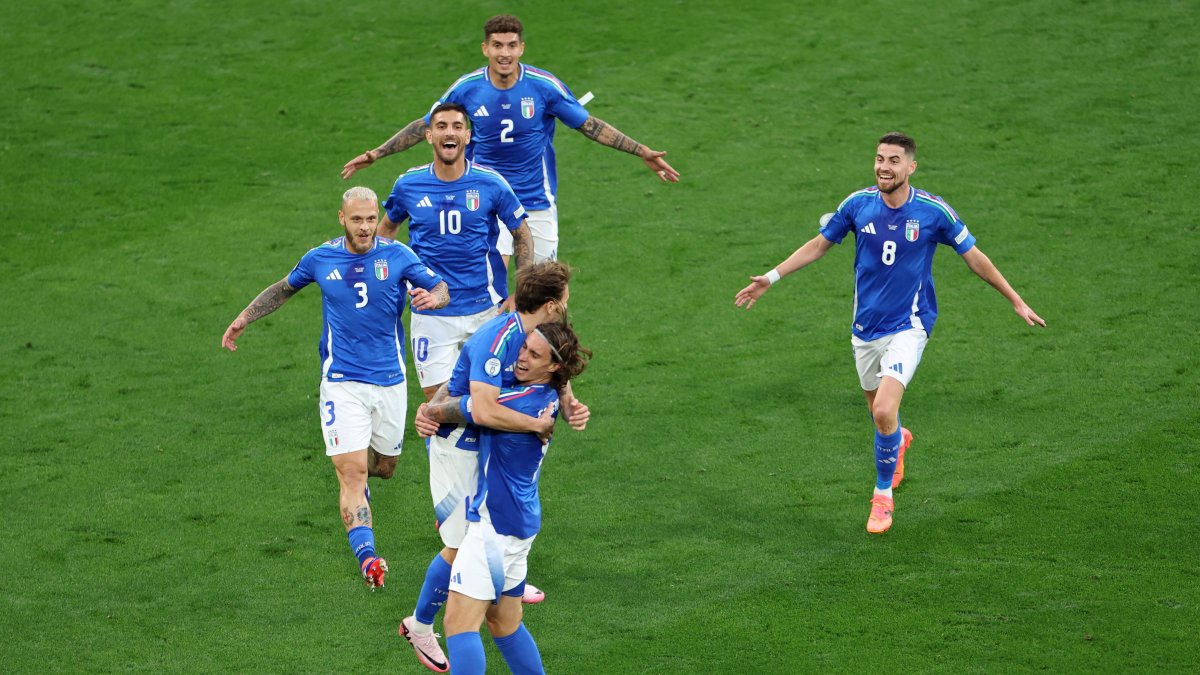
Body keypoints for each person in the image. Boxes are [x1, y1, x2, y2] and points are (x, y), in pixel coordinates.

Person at [734, 132, 1045, 535]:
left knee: (883, 410)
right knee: (879, 415)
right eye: (880, 158)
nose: (884, 166)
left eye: (894, 160)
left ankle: (882, 497)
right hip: (865, 328)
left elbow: (975, 258)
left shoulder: (934, 213)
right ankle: (898, 441)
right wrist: (771, 278)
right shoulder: (858, 204)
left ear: (910, 167)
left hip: (909, 325)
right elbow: (818, 245)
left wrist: (1015, 300)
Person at [221, 187, 449, 587]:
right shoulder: (320, 258)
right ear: (341, 218)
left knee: (385, 468)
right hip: (342, 382)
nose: (364, 227)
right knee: (352, 474)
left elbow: (441, 287)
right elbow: (284, 288)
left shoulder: (397, 256)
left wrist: (433, 298)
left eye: (370, 219)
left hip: (390, 382)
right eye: (356, 219)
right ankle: (368, 558)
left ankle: (361, 483)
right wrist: (244, 317)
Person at [342, 13, 680, 265]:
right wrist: (376, 153)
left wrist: (641, 152)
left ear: (521, 47)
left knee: (542, 295)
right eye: (497, 45)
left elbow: (589, 126)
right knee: (488, 288)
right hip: (484, 201)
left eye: (511, 45)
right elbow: (426, 125)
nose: (505, 53)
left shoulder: (544, 87)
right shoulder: (467, 88)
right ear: (485, 48)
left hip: (535, 202)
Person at [395, 262, 587, 673]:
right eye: (525, 349)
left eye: (532, 355)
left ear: (551, 366)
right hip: (520, 523)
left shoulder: (520, 403)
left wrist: (429, 411)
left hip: (494, 527)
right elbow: (483, 380)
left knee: (461, 621)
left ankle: (421, 623)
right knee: (504, 622)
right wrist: (563, 406)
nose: (521, 357)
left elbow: (479, 410)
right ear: (551, 305)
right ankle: (421, 622)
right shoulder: (542, 386)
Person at [381, 102, 535, 402]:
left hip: (487, 308)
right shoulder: (408, 184)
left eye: (456, 126)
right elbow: (386, 230)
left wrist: (522, 291)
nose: (448, 132)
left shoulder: (491, 183)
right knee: (437, 399)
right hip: (431, 310)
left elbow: (522, 233)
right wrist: (389, 282)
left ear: (467, 136)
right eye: (441, 126)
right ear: (428, 136)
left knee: (497, 394)